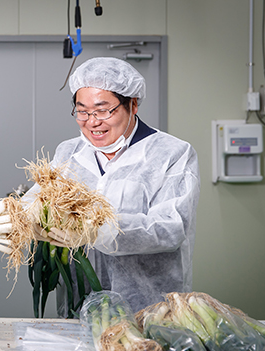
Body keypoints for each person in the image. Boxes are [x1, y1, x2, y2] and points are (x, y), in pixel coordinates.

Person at [31, 57, 200, 314]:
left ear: (132, 105)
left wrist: (96, 231)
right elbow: (38, 198)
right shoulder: (68, 152)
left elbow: (170, 228)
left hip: (149, 307)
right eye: (83, 111)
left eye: (103, 110)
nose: (92, 122)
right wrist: (31, 214)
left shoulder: (171, 153)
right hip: (80, 305)